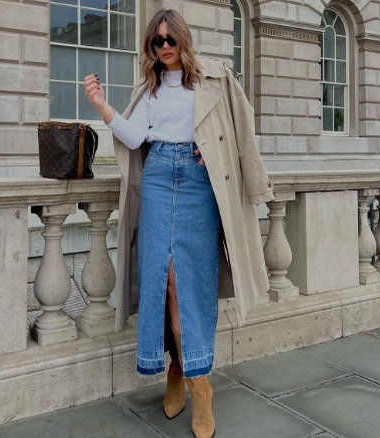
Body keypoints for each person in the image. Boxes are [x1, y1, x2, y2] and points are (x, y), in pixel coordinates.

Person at [84, 9, 273, 438]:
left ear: (183, 40)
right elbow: (135, 137)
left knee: (193, 279)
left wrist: (223, 158)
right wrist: (102, 106)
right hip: (157, 177)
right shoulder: (149, 90)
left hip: (199, 182)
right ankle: (182, 369)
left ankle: (198, 382)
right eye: (156, 42)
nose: (164, 47)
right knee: (163, 278)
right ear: (149, 48)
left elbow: (241, 129)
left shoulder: (216, 78)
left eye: (170, 40)